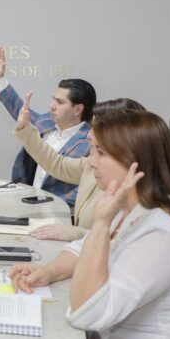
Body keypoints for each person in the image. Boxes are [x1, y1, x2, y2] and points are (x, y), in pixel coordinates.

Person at [9, 110, 170, 338]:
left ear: (135, 161)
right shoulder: (129, 207)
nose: (91, 162)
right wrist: (48, 271)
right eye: (92, 149)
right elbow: (81, 249)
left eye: (101, 152)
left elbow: (86, 314)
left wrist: (101, 224)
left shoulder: (167, 232)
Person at [14, 96, 145, 241]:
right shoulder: (92, 163)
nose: (89, 134)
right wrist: (26, 129)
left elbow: (121, 242)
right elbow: (58, 164)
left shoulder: (137, 191)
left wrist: (76, 233)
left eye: (96, 128)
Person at [0, 46, 95, 208]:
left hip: (59, 212)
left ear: (77, 109)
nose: (51, 105)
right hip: (27, 201)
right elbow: (19, 109)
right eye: (53, 99)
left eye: (59, 102)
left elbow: (85, 189)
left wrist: (50, 206)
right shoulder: (46, 122)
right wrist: (0, 78)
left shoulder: (91, 142)